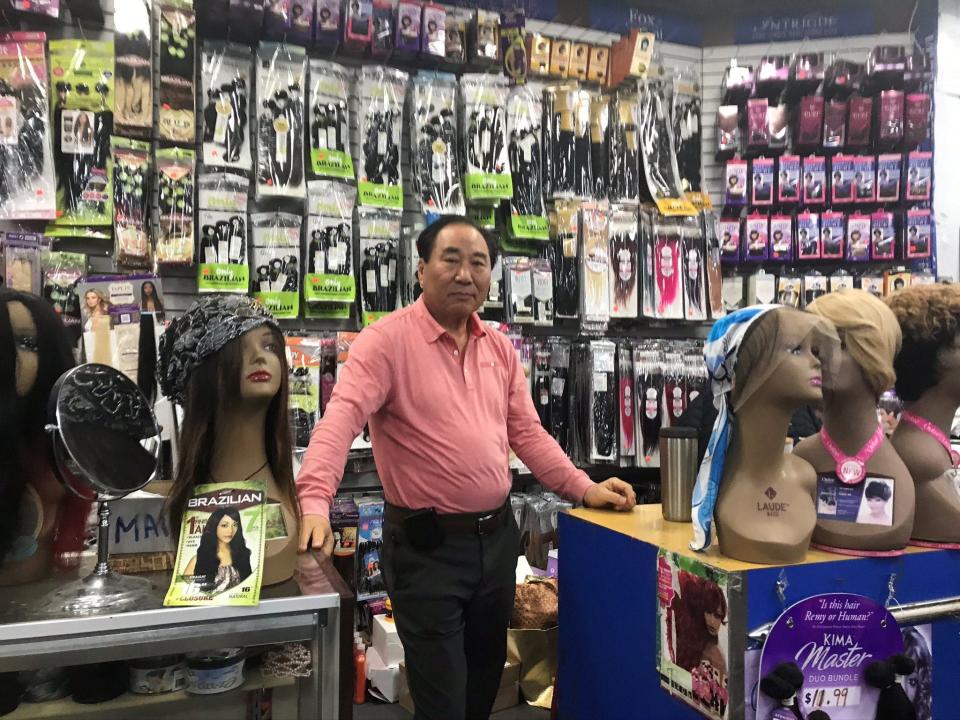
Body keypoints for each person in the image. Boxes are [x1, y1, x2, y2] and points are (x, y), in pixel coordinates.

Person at [296, 215, 635, 720]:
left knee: (483, 686)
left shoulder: (498, 347)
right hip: (425, 550)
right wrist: (315, 503)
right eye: (450, 259)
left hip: (496, 542)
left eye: (478, 263)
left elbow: (529, 434)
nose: (465, 274)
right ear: (421, 269)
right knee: (444, 700)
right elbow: (338, 422)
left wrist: (583, 489)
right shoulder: (384, 343)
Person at [184, 507, 253, 594]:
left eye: (235, 525)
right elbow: (184, 592)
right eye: (224, 525)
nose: (231, 530)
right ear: (214, 526)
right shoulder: (197, 560)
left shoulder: (242, 555)